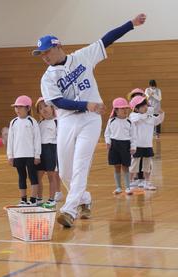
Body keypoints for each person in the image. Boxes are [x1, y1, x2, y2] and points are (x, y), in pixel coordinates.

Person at [32, 14, 146, 227]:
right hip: (66, 121)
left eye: (47, 51)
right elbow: (57, 101)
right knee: (65, 171)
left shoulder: (82, 57)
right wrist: (86, 104)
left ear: (58, 47)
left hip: (91, 120)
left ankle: (69, 210)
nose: (44, 56)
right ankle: (85, 198)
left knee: (80, 165)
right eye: (41, 54)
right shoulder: (47, 77)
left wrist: (131, 24)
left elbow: (107, 38)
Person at [7, 95, 41, 206]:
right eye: (16, 107)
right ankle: (23, 199)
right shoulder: (13, 122)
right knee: (21, 177)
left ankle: (33, 199)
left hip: (30, 155)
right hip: (18, 155)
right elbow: (10, 140)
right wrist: (10, 156)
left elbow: (37, 139)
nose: (17, 109)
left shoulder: (32, 122)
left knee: (32, 177)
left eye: (20, 107)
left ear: (28, 108)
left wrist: (37, 155)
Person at [129, 96, 165, 190]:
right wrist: (149, 111)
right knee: (134, 165)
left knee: (147, 165)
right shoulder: (133, 115)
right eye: (143, 106)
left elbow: (157, 121)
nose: (146, 107)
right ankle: (130, 182)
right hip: (136, 145)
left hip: (148, 145)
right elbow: (138, 118)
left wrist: (161, 113)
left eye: (146, 105)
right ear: (136, 108)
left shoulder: (149, 116)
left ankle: (147, 182)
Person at [34, 97, 63, 208]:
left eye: (45, 106)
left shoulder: (57, 122)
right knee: (37, 176)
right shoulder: (39, 123)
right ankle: (39, 198)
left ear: (52, 107)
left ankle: (51, 199)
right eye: (40, 108)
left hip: (52, 150)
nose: (44, 110)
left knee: (51, 176)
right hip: (40, 150)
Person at [104, 98, 136, 195]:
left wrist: (133, 147)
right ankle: (118, 187)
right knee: (116, 166)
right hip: (114, 145)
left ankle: (127, 187)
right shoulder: (111, 121)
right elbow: (107, 133)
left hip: (125, 145)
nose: (125, 110)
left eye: (126, 108)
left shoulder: (130, 122)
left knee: (125, 167)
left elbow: (133, 136)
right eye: (122, 109)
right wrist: (108, 142)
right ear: (116, 110)